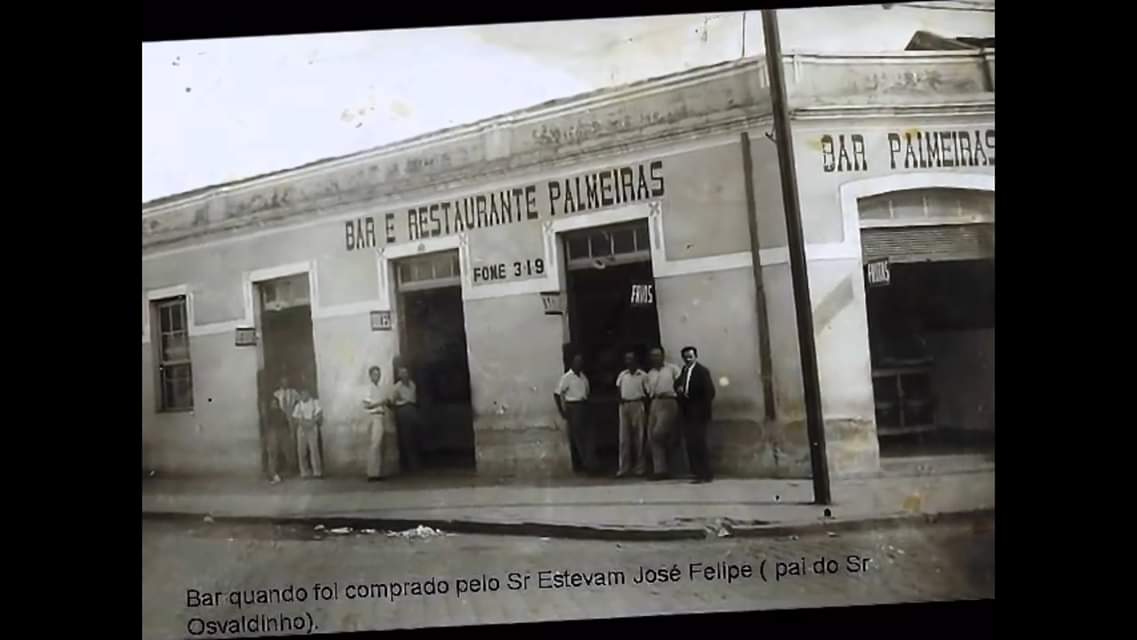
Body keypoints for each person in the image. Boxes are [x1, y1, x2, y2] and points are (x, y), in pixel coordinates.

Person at [677, 346, 717, 484]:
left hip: (698, 413)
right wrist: (679, 388)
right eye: (685, 357)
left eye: (690, 356)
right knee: (691, 443)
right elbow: (678, 383)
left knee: (700, 443)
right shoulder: (684, 370)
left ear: (695, 356)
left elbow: (710, 392)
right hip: (687, 412)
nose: (688, 359)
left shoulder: (702, 371)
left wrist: (700, 409)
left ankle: (705, 473)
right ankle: (697, 472)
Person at [554, 353, 597, 473]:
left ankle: (590, 462)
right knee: (578, 436)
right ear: (573, 363)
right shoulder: (567, 377)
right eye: (577, 362)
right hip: (573, 406)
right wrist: (562, 411)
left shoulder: (583, 377)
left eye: (581, 362)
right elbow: (557, 393)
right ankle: (584, 464)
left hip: (584, 405)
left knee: (588, 435)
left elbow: (586, 392)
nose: (579, 365)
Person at [645, 347, 682, 480]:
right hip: (655, 402)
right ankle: (660, 470)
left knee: (659, 433)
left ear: (663, 356)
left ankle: (670, 467)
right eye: (653, 356)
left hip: (669, 401)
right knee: (652, 436)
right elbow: (648, 390)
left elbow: (680, 384)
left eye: (658, 355)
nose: (656, 358)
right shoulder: (650, 373)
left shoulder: (672, 369)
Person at [615, 351, 649, 478]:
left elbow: (648, 392)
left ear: (636, 360)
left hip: (638, 404)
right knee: (624, 438)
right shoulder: (622, 375)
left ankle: (640, 468)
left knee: (639, 437)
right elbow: (618, 390)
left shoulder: (643, 375)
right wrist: (621, 402)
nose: (629, 362)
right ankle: (624, 468)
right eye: (627, 359)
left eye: (631, 359)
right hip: (624, 405)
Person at [268, 375, 300, 484]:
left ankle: (293, 467)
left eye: (286, 381)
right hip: (277, 424)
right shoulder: (276, 394)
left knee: (291, 444)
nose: (285, 383)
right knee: (275, 449)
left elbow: (299, 403)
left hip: (289, 419)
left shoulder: (294, 393)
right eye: (283, 381)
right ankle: (275, 471)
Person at [362, 366, 390, 482]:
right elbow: (366, 405)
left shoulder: (379, 388)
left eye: (378, 374)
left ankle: (377, 472)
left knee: (379, 445)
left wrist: (386, 402)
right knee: (374, 445)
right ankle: (372, 473)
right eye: (374, 374)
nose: (376, 376)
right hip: (374, 416)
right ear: (370, 375)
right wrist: (380, 403)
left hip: (381, 416)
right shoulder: (369, 388)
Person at [393, 366, 422, 473]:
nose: (404, 375)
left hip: (413, 409)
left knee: (415, 435)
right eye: (402, 373)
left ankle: (416, 462)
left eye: (406, 372)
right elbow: (392, 401)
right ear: (399, 376)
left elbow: (414, 398)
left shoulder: (412, 385)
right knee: (406, 437)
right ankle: (410, 465)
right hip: (403, 410)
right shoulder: (397, 387)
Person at [292, 387, 324, 479]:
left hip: (312, 428)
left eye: (305, 394)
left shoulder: (314, 403)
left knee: (314, 450)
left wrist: (312, 422)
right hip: (302, 429)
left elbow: (319, 414)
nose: (303, 396)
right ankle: (304, 472)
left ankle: (317, 472)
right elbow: (295, 418)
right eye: (301, 394)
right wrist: (303, 423)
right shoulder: (298, 405)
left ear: (308, 394)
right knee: (301, 451)